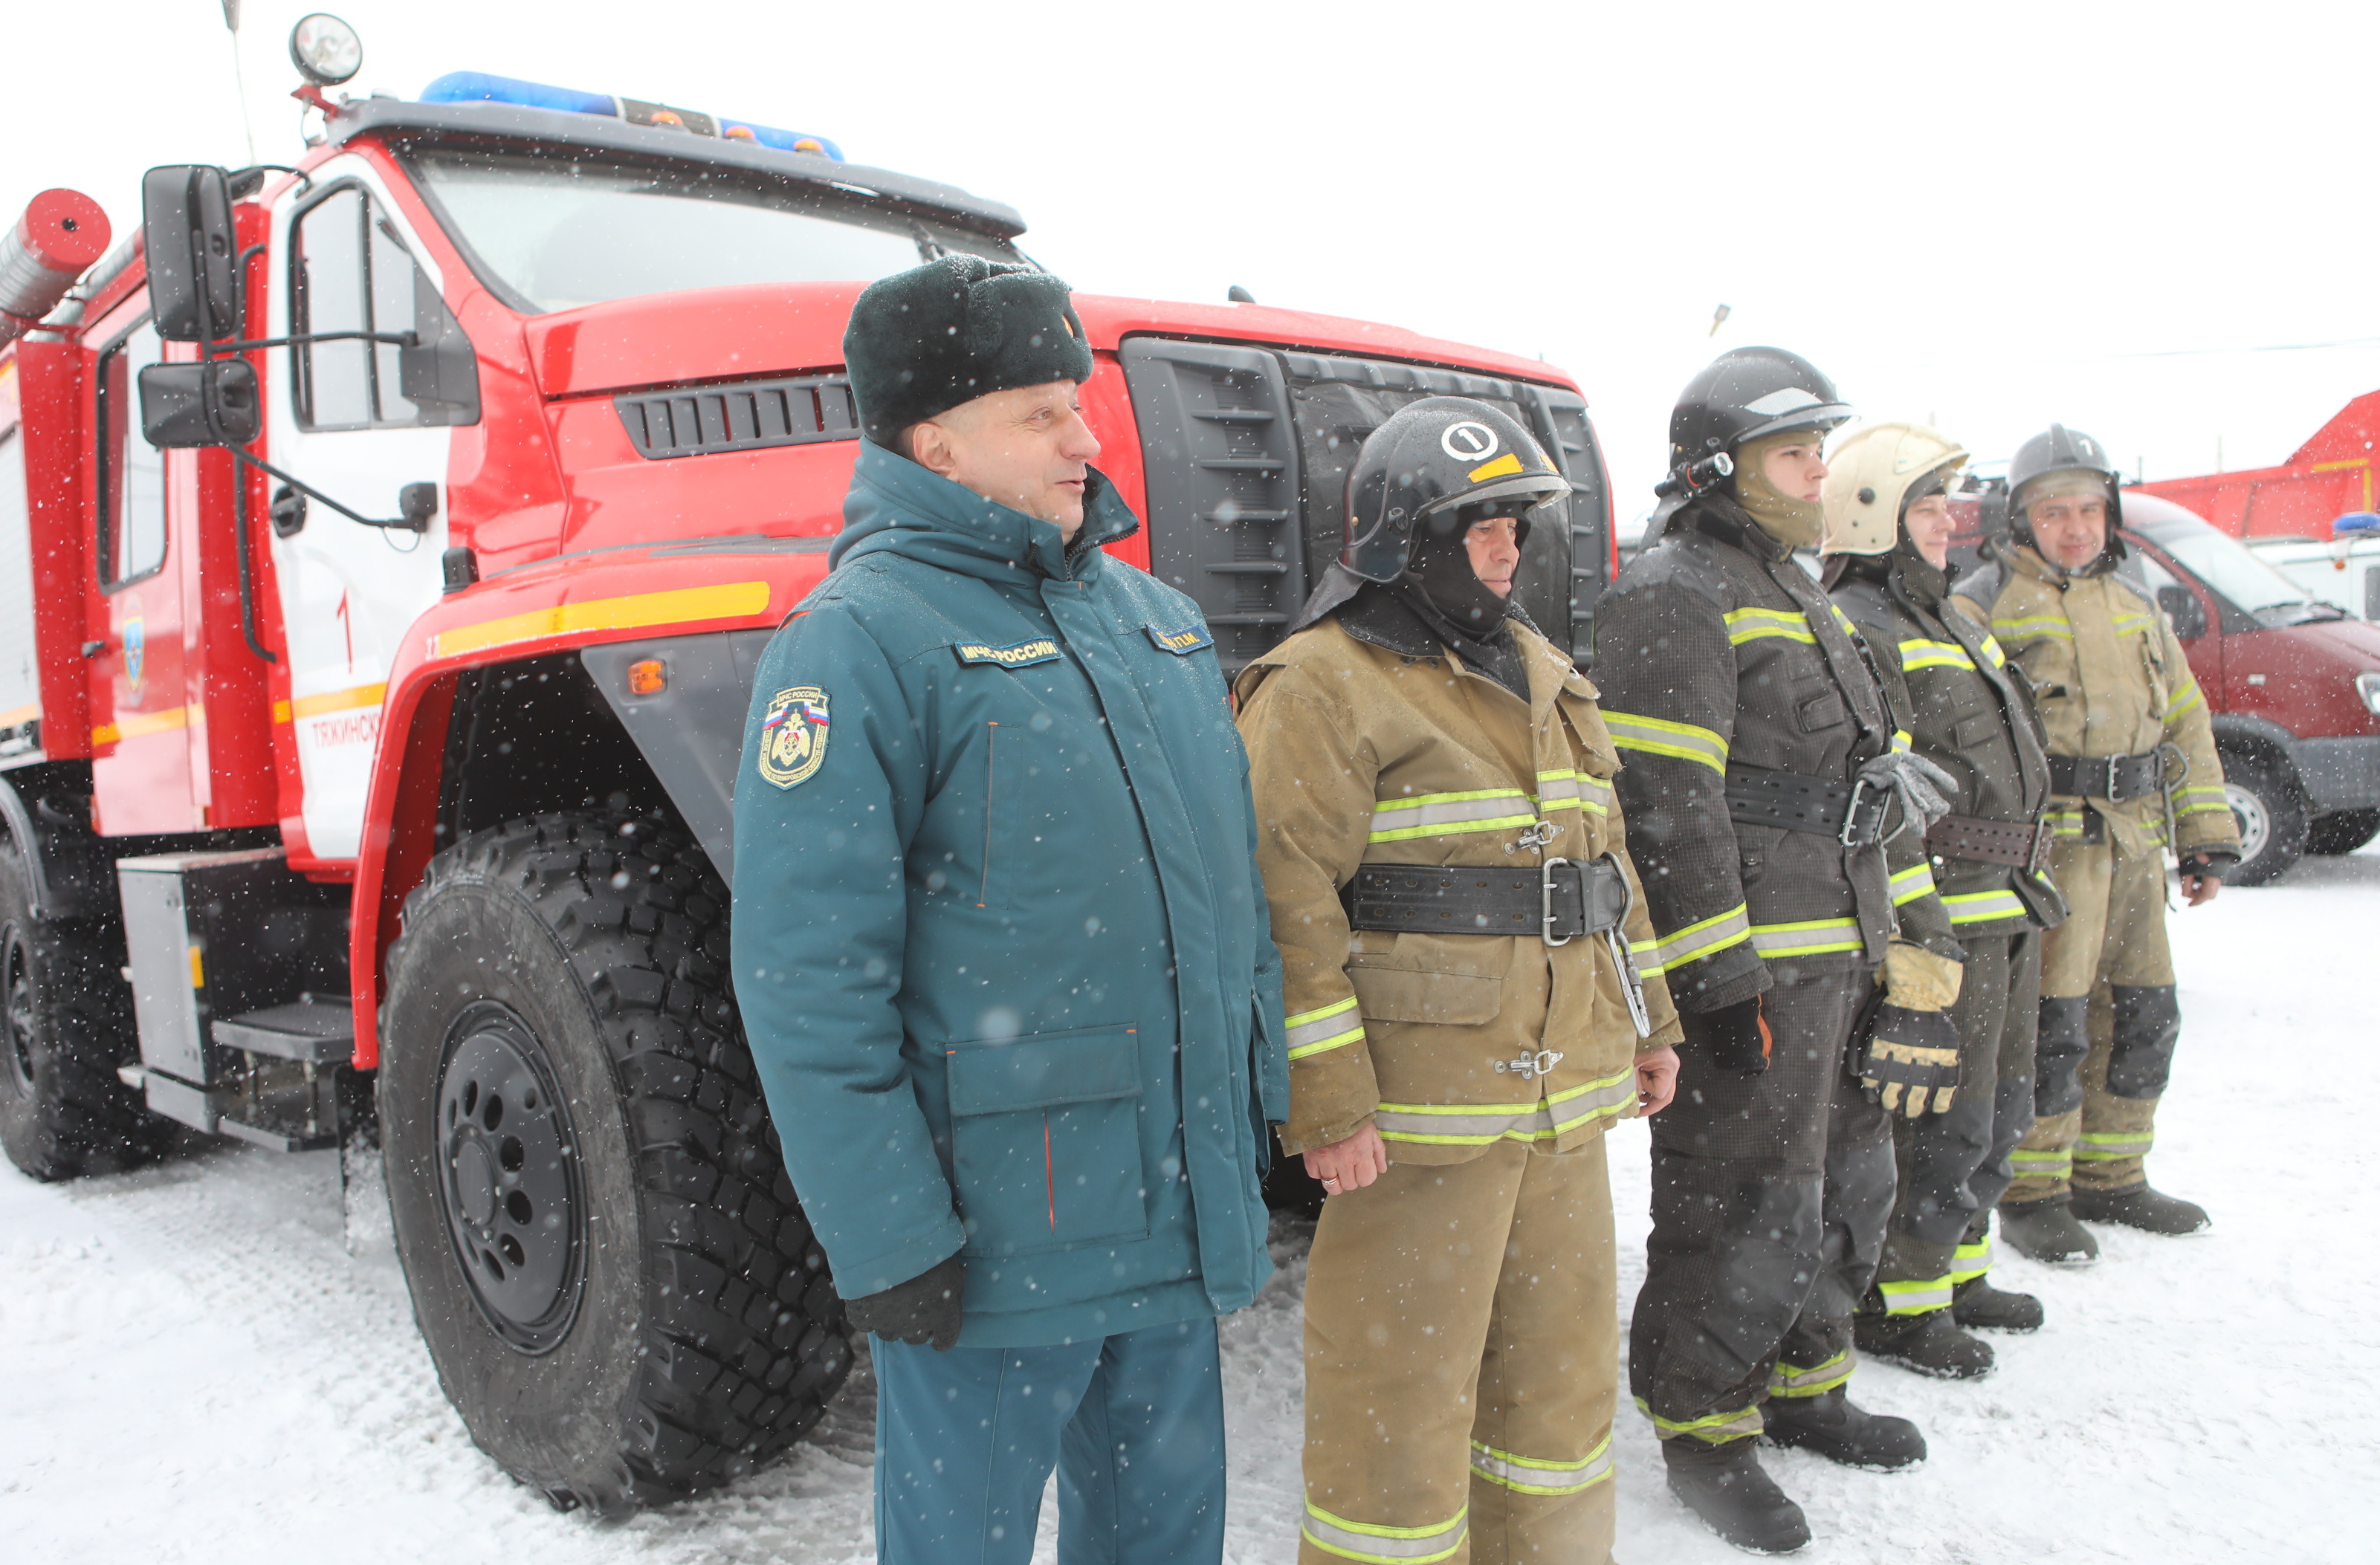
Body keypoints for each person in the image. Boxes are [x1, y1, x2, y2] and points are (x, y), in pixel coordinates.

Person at [729, 256, 1287, 1565]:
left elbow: (1234, 904)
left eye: (1076, 405)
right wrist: (890, 1240)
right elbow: (808, 980)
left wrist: (1259, 1102)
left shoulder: (1158, 625)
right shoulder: (857, 642)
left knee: (1166, 1545)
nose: (1084, 439)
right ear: (937, 442)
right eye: (1041, 413)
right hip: (993, 1251)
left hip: (1172, 1215)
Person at [1234, 399, 1684, 1565]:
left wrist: (1650, 1022)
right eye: (1482, 524)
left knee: (1559, 1403)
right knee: (1393, 1408)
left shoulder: (1542, 669)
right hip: (1418, 1121)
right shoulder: (1320, 684)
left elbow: (1604, 869)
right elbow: (1283, 910)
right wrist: (1326, 1106)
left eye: (1517, 525)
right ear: (1407, 535)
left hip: (1564, 1108)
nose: (1507, 547)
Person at [1594, 348, 1967, 1555]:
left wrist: (1909, 944)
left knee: (1850, 1184)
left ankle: (1809, 1385)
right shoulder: (1676, 591)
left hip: (1845, 955)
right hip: (1757, 974)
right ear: (1720, 469)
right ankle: (1705, 1426)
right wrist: (1716, 984)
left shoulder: (1799, 592)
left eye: (1819, 451)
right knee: (1743, 1200)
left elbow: (1870, 789)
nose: (1820, 474)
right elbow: (1666, 808)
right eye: (1795, 454)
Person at [1821, 423, 2067, 1381]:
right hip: (1945, 906)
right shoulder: (1862, 623)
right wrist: (1912, 930)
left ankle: (1960, 1272)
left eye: (1946, 505)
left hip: (2009, 899)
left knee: (2001, 1104)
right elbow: (1883, 791)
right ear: (1871, 515)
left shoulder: (1953, 616)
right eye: (1925, 507)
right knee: (1936, 1114)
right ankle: (1902, 1300)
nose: (1946, 523)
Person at [1957, 426, 2239, 1260]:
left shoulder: (2134, 605)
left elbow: (2186, 721)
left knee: (2144, 1013)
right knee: (2053, 1025)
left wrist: (2205, 836)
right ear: (2022, 518)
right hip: (2051, 855)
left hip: (2136, 847)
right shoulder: (1982, 605)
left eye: (2089, 509)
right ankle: (2033, 1190)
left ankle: (2113, 1174)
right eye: (2055, 512)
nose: (2076, 527)